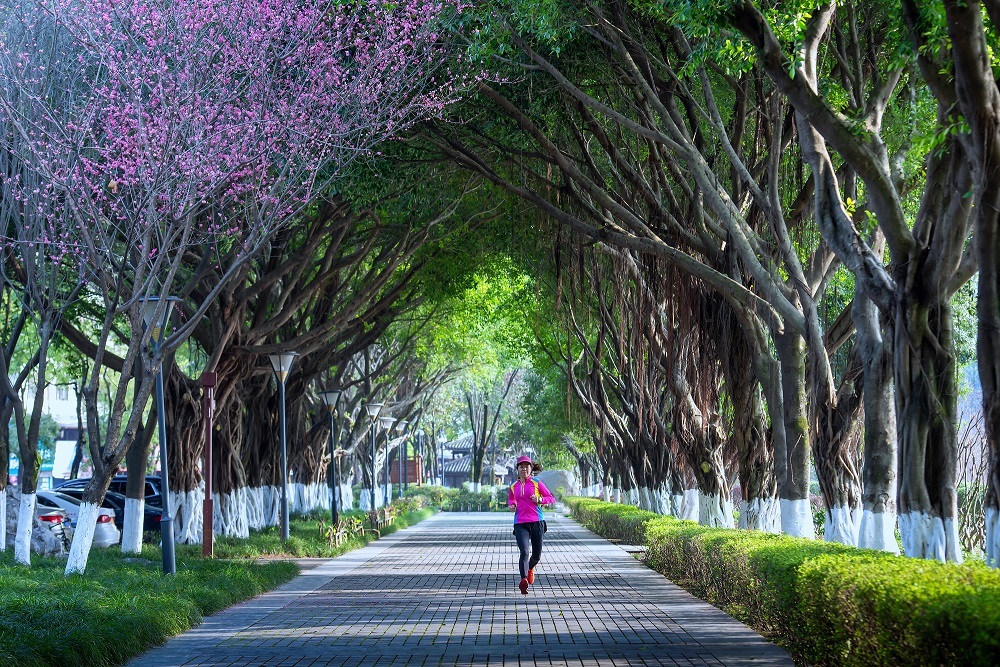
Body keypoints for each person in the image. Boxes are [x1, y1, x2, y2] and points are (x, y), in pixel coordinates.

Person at [507, 455, 555, 595]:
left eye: (527, 466)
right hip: (520, 523)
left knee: (536, 556)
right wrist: (512, 505)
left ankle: (529, 569)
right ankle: (523, 580)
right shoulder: (513, 486)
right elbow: (511, 500)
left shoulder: (537, 483)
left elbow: (551, 498)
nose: (524, 469)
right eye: (521, 467)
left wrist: (539, 499)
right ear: (517, 469)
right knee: (524, 552)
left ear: (531, 468)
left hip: (536, 522)